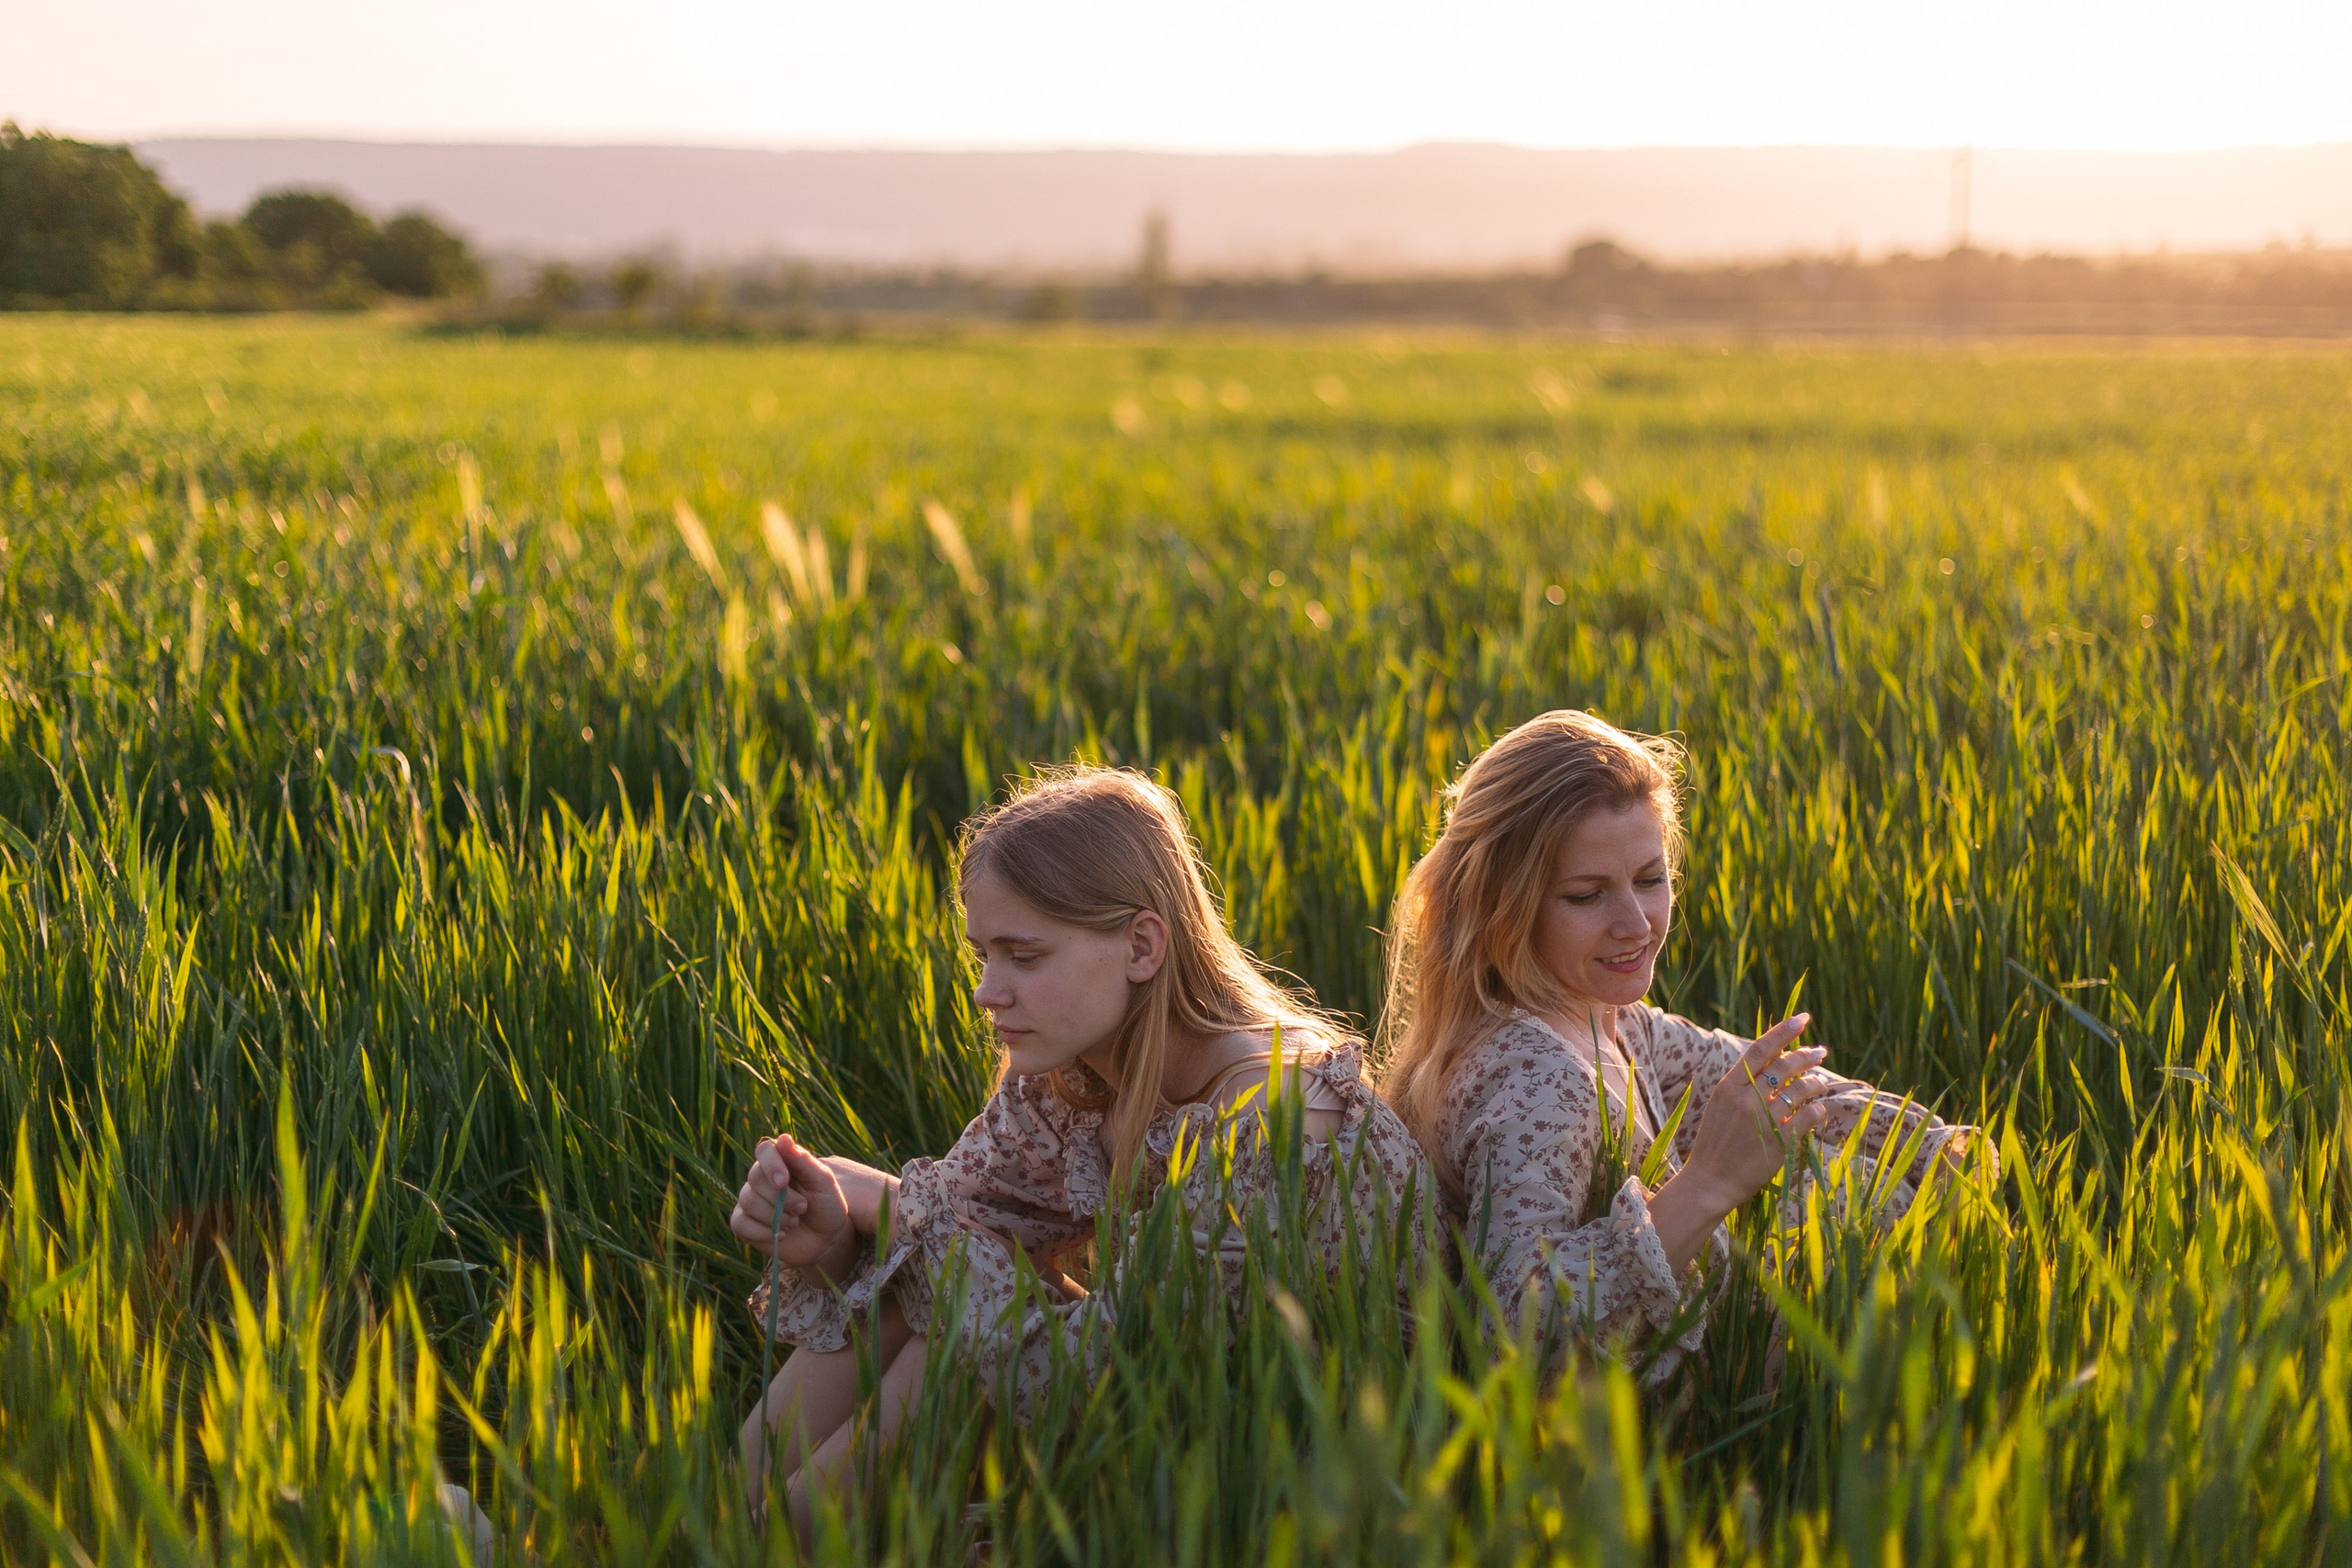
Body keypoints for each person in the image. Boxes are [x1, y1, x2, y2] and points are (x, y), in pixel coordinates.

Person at [729, 766, 1430, 1536]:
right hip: (1169, 1411)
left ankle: (777, 1532)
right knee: (938, 1282)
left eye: (1023, 956)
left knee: (960, 1304)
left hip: (1316, 1471)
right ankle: (739, 1501)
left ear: (1141, 944)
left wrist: (901, 1205)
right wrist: (838, 1231)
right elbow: (948, 1235)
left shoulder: (1277, 1115)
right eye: (983, 955)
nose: (987, 991)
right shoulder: (1071, 1079)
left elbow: (1121, 1364)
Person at [1377, 710, 1980, 1385]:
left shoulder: (1611, 1018)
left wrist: (1956, 1158)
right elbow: (1514, 1332)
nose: (1634, 923)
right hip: (1639, 1456)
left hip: (1732, 1385)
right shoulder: (1535, 1074)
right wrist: (1707, 1184)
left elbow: (1793, 1090)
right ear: (1501, 906)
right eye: (1586, 895)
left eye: (1649, 878)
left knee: (1842, 1173)